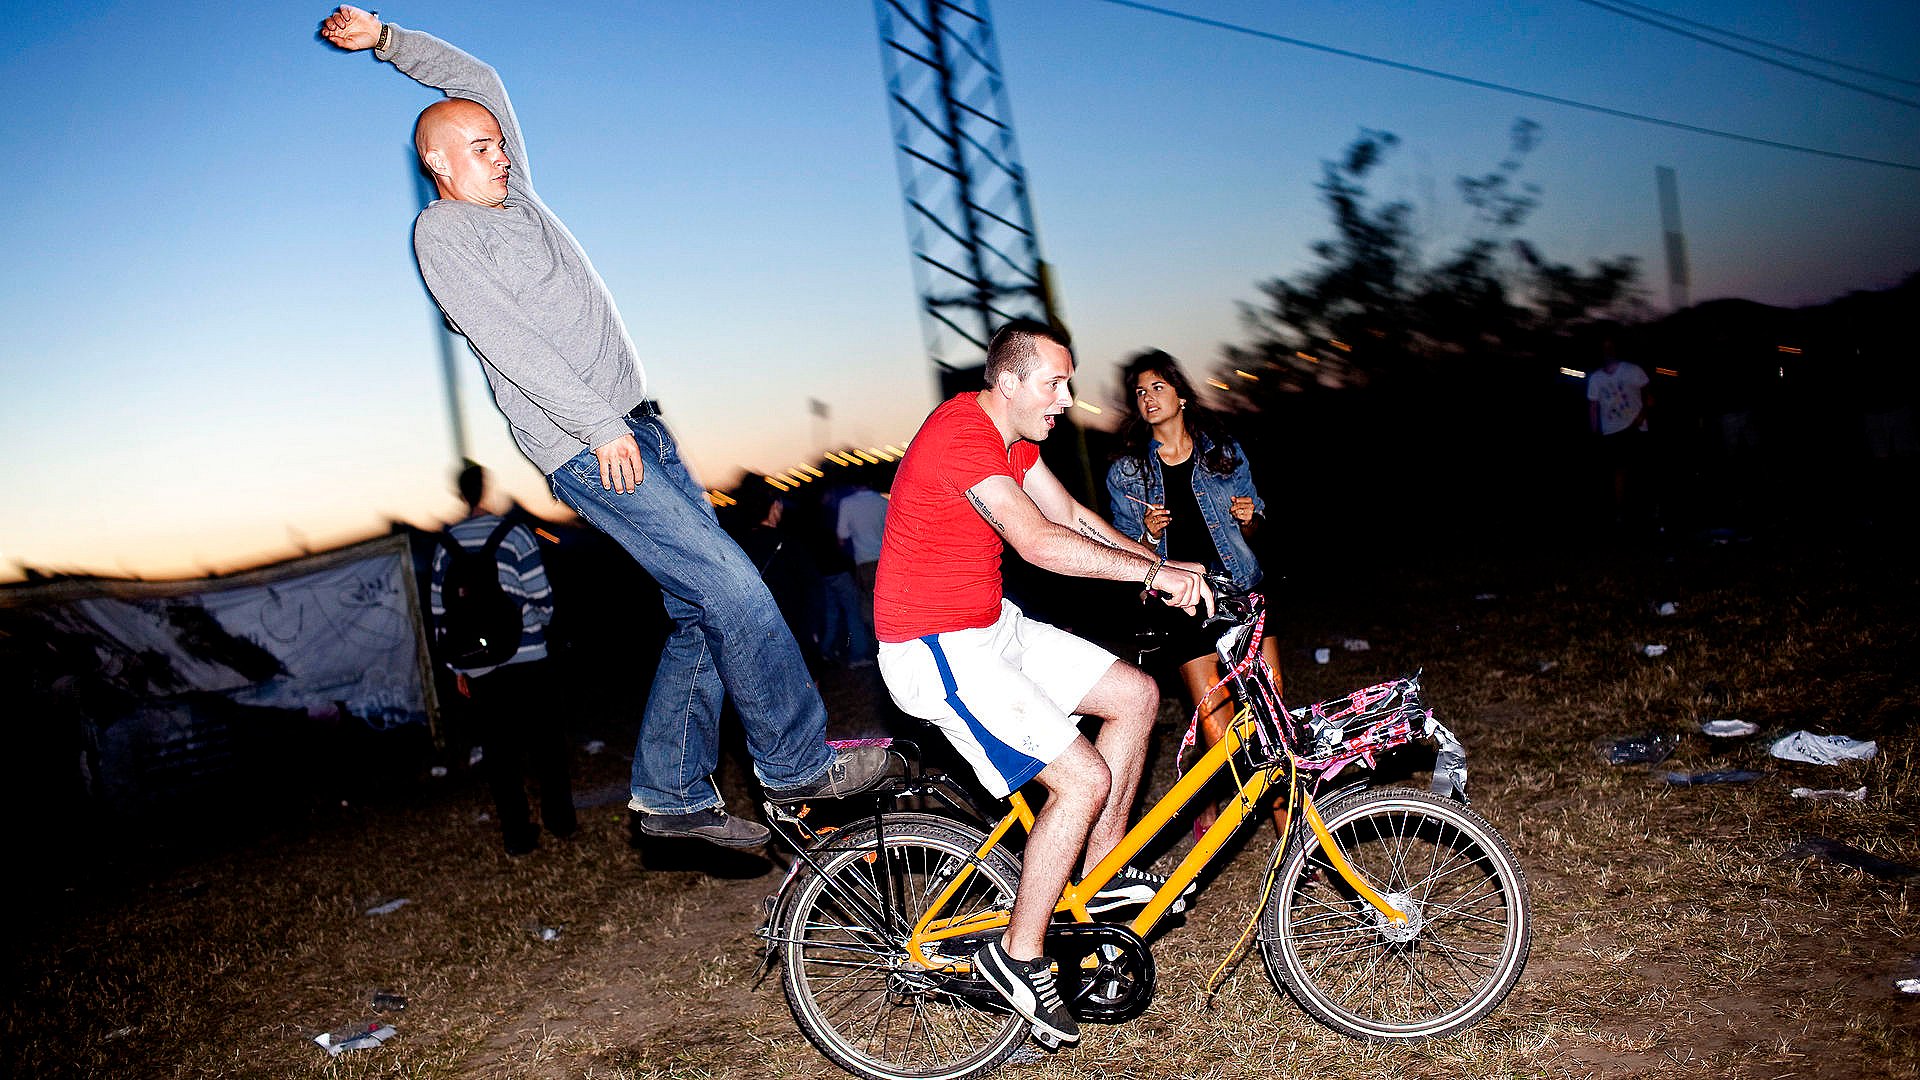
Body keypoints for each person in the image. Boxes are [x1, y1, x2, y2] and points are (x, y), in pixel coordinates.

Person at [318, 7, 884, 850]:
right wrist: (595, 424)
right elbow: (509, 343)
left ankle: (670, 794)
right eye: (479, 148)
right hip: (593, 441)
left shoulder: (521, 201)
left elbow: (481, 86)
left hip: (640, 431)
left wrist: (391, 42)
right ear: (435, 162)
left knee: (699, 609)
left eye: (500, 143)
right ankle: (797, 762)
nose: (500, 153)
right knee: (733, 586)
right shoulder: (443, 231)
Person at [874, 320, 1213, 1047]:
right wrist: (1153, 574)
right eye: (1055, 383)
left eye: (1068, 382)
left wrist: (1167, 567)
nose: (1067, 397)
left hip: (991, 624)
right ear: (1008, 381)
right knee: (1081, 779)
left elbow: (1073, 517)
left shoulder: (1014, 439)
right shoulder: (961, 433)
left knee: (1136, 696)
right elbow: (1037, 541)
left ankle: (1103, 870)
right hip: (934, 646)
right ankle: (1018, 952)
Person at [1105, 350, 1284, 839]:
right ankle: (1220, 798)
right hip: (1182, 605)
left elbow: (1256, 522)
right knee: (1215, 722)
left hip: (1241, 593)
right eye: (1140, 392)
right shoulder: (1127, 474)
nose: (1148, 398)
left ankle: (1292, 836)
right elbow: (1124, 555)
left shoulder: (1222, 451)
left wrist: (1250, 519)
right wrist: (1144, 535)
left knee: (1273, 720)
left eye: (1158, 387)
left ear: (1181, 394)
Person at [430, 464, 575, 855]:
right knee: (548, 742)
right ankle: (559, 820)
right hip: (528, 655)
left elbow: (441, 615)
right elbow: (541, 594)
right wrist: (539, 627)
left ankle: (517, 835)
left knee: (499, 752)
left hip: (479, 664)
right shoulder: (515, 533)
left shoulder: (446, 545)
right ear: (486, 488)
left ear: (460, 493)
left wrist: (458, 667)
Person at [1586, 335, 1652, 528]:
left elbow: (1649, 397)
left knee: (1639, 470)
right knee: (1618, 472)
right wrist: (1594, 431)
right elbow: (1593, 405)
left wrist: (1641, 416)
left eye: (1610, 347)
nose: (1607, 352)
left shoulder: (1632, 370)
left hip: (1636, 427)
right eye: (1604, 348)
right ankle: (1621, 512)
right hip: (1611, 431)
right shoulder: (1596, 378)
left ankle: (1645, 510)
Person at [834, 479, 888, 656]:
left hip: (863, 562)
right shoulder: (882, 502)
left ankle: (875, 649)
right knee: (886, 605)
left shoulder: (848, 503)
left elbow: (842, 536)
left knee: (867, 606)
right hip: (885, 561)